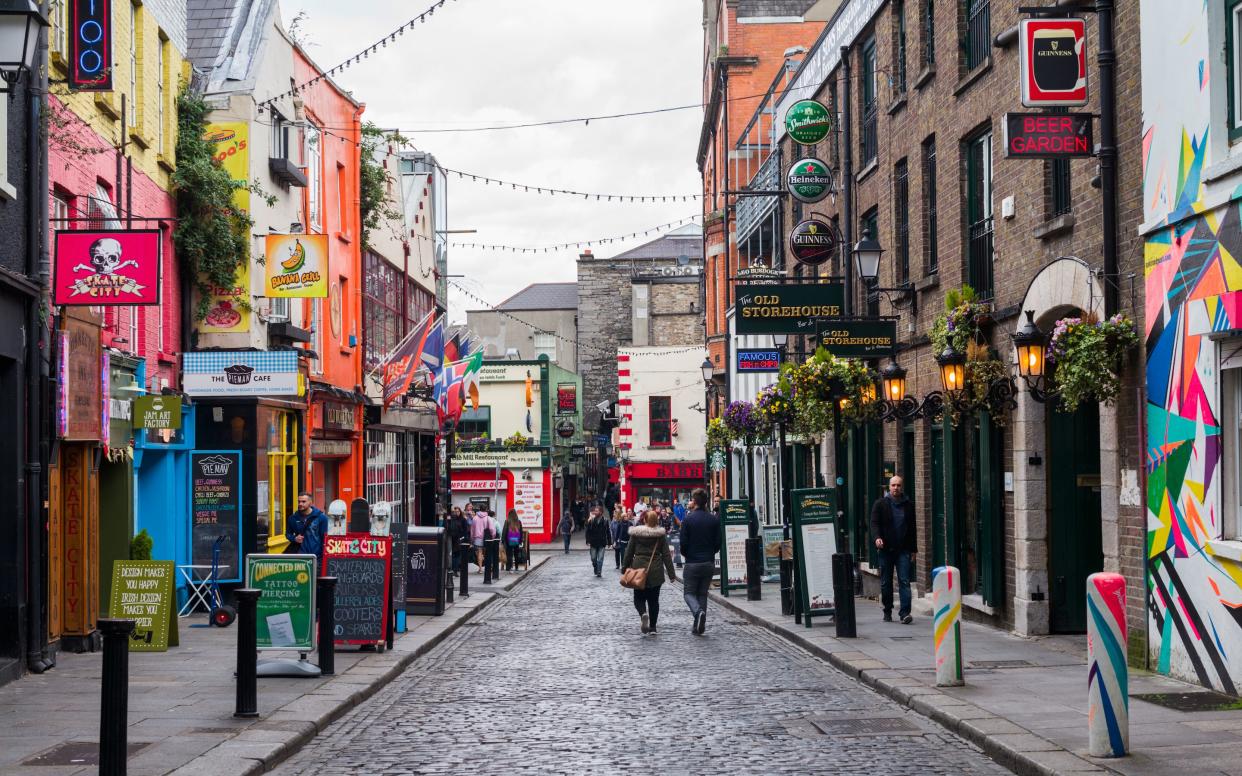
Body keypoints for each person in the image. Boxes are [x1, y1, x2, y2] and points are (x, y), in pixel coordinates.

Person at [870, 475, 917, 624]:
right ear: (888, 487)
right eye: (893, 485)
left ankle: (905, 614)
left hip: (903, 550)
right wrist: (877, 537)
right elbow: (874, 523)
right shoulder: (880, 504)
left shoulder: (908, 505)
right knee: (886, 582)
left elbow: (912, 529)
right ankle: (887, 611)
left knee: (904, 581)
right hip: (886, 549)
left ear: (901, 487)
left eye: (898, 485)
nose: (896, 488)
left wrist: (914, 550)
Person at [622, 510, 677, 635]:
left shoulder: (636, 534)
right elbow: (667, 555)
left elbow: (629, 552)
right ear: (656, 520)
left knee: (638, 597)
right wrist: (672, 574)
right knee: (654, 600)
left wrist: (624, 567)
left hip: (638, 568)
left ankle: (643, 614)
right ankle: (653, 627)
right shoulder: (660, 535)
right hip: (655, 569)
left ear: (645, 520)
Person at [678, 488, 720, 635]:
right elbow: (718, 542)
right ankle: (698, 625)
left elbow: (683, 543)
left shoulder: (688, 520)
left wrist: (687, 554)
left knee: (688, 593)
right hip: (708, 562)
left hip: (692, 562)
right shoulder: (713, 519)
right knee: (702, 593)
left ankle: (698, 612)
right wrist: (710, 553)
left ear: (694, 502)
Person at [287, 492, 329, 568]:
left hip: (317, 556)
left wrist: (324, 555)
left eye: (303, 502)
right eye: (299, 501)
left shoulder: (321, 518)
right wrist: (294, 538)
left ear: (310, 503)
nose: (300, 504)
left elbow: (325, 538)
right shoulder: (292, 518)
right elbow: (288, 534)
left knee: (315, 579)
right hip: (299, 556)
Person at [585, 506, 612, 577]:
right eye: (595, 511)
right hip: (593, 542)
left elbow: (608, 532)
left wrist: (609, 542)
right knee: (593, 558)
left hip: (602, 542)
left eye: (597, 511)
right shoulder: (591, 520)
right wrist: (587, 540)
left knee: (600, 559)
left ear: (601, 512)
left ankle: (599, 571)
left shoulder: (605, 521)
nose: (595, 512)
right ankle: (595, 567)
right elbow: (588, 531)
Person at [471, 507, 492, 572]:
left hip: (477, 538)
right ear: (485, 510)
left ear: (479, 510)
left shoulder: (475, 518)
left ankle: (480, 568)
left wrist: (472, 538)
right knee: (487, 552)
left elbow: (472, 530)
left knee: (479, 552)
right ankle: (488, 566)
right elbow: (492, 528)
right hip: (487, 538)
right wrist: (493, 536)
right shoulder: (488, 518)